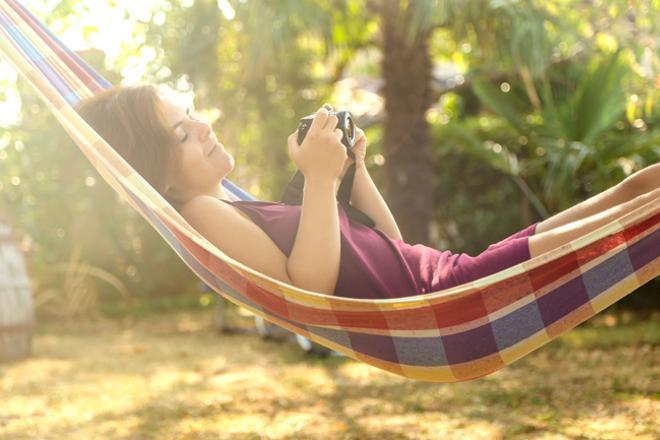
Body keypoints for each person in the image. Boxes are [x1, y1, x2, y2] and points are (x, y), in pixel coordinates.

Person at [75, 84, 659, 299]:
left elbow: (391, 248)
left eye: (193, 115)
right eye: (182, 131)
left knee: (637, 192)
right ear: (159, 171)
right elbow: (310, 286)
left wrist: (354, 168)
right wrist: (322, 181)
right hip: (462, 290)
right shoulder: (202, 211)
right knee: (636, 217)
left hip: (452, 276)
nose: (204, 126)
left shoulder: (240, 204)